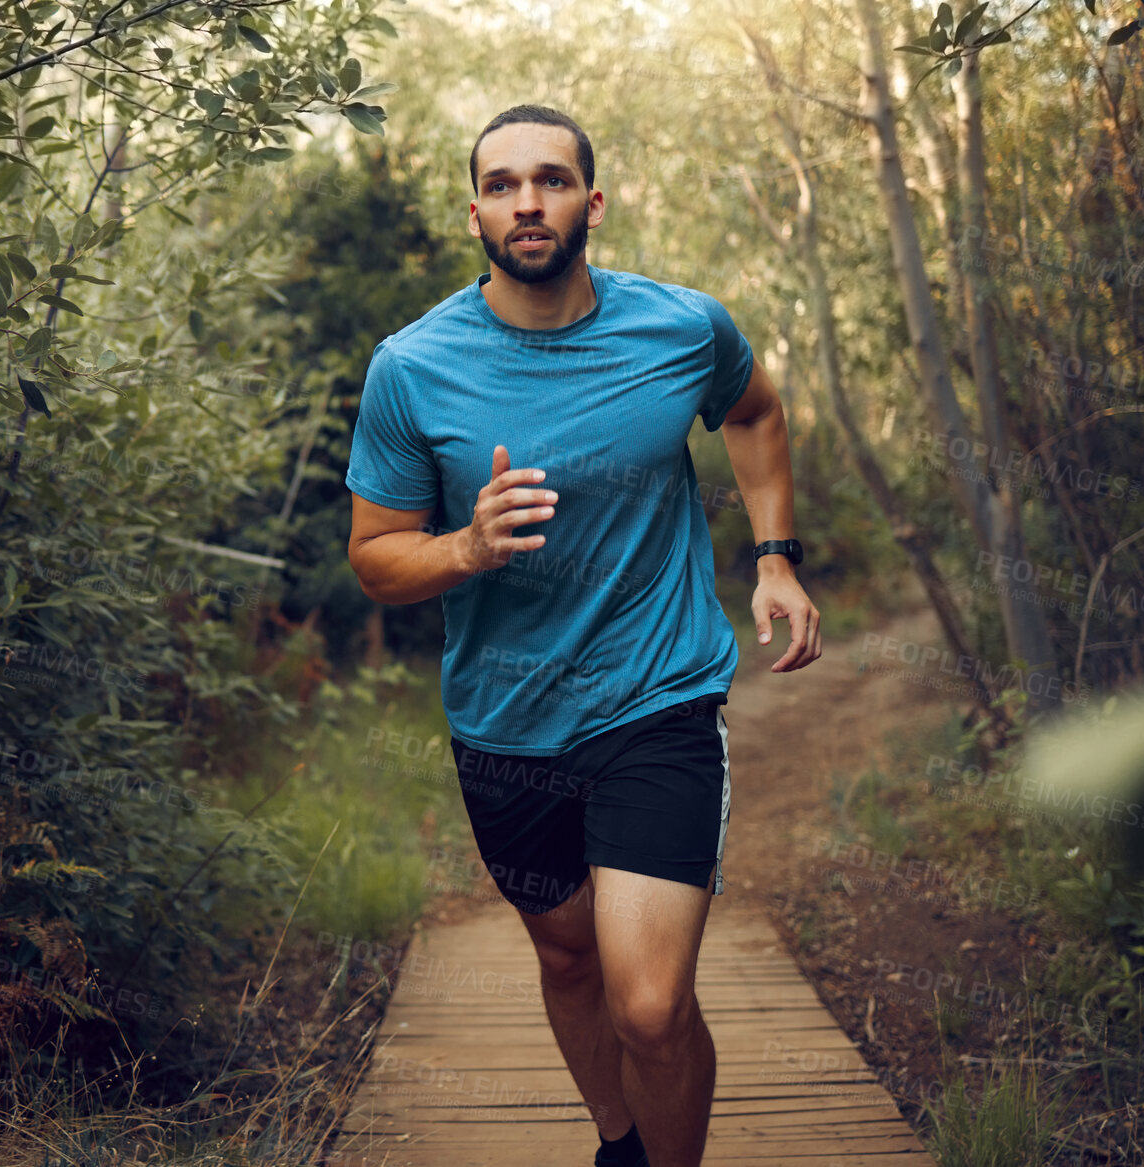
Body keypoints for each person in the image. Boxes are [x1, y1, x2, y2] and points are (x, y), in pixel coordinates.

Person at [344, 104, 821, 1167]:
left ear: (591, 202)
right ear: (474, 210)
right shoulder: (411, 368)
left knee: (649, 1005)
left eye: (552, 180)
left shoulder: (682, 329)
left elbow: (753, 413)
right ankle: (622, 1142)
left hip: (659, 700)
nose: (528, 202)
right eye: (504, 184)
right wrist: (464, 549)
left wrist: (776, 556)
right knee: (570, 965)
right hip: (507, 722)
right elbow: (376, 555)